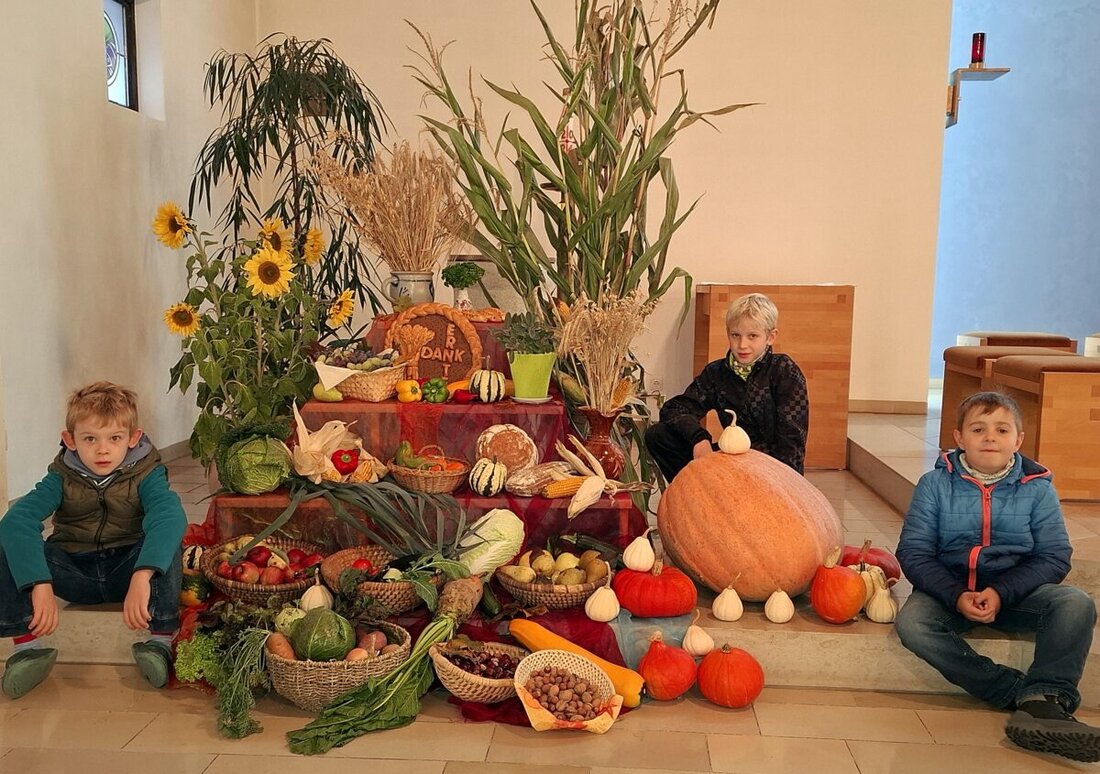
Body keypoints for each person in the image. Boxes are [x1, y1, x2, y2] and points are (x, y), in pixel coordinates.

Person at [895, 391, 1100, 762]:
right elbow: (914, 553)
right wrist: (956, 595)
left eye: (1002, 429)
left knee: (1076, 603)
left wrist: (1002, 592)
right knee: (912, 623)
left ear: (1018, 440)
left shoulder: (1037, 487)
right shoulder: (934, 485)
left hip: (1015, 591)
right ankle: (1016, 692)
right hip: (949, 589)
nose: (990, 437)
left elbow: (1054, 556)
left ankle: (1048, 694)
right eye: (978, 428)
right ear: (958, 437)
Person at [0, 382, 186, 699]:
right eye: (90, 439)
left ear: (133, 438)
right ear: (69, 440)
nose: (103, 450)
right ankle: (27, 649)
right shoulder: (59, 476)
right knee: (8, 538)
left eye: (114, 438)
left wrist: (143, 575)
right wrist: (39, 582)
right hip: (74, 572)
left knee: (167, 536)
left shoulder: (147, 473)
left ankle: (160, 642)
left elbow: (170, 516)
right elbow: (18, 520)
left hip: (125, 573)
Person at [644, 292, 808, 479]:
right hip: (728, 462)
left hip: (772, 469)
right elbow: (674, 409)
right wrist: (699, 438)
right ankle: (695, 494)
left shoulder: (785, 371)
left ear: (770, 337)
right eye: (735, 335)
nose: (742, 345)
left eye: (752, 336)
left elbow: (792, 445)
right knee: (658, 435)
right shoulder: (716, 373)